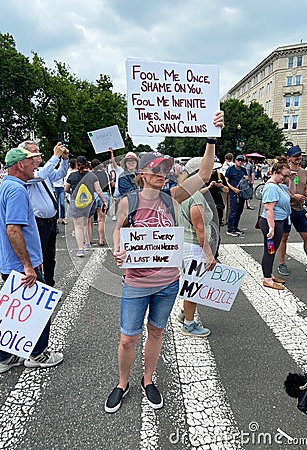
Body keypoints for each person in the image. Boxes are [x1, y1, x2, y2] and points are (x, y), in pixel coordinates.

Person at [104, 110, 224, 414]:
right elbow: (118, 230)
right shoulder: (128, 202)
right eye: (156, 169)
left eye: (166, 169)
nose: (162, 173)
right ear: (142, 173)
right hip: (136, 281)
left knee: (156, 332)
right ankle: (122, 383)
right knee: (128, 338)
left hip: (167, 282)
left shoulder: (173, 197)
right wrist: (118, 249)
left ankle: (148, 380)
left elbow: (205, 175)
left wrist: (211, 138)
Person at [0, 147, 63, 374]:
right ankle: (38, 354)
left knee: (15, 312)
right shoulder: (16, 190)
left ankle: (5, 358)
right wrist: (27, 265)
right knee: (39, 310)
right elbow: (13, 230)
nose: (36, 165)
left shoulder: (7, 186)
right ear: (20, 164)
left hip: (9, 263)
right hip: (21, 265)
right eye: (32, 162)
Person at [19, 140, 69, 287]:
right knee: (37, 257)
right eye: (34, 151)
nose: (39, 153)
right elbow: (41, 175)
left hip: (50, 219)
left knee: (50, 256)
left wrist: (64, 159)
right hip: (38, 221)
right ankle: (38, 287)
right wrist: (55, 157)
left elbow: (60, 173)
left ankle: (49, 285)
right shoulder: (27, 174)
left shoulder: (43, 170)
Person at [176, 157, 217, 337]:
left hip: (184, 244)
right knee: (193, 286)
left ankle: (186, 313)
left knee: (190, 281)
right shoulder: (196, 196)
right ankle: (189, 324)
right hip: (193, 246)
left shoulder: (182, 192)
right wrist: (209, 254)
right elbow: (199, 229)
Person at [277, 145, 307, 275]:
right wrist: (293, 196)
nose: (299, 158)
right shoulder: (283, 172)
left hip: (299, 209)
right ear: (288, 158)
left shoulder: (304, 172)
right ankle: (282, 264)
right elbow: (279, 190)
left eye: (300, 155)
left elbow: (305, 187)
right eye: (296, 156)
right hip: (286, 210)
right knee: (284, 237)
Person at [65, 156, 106, 257]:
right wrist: (104, 201)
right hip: (89, 201)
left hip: (76, 201)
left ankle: (80, 249)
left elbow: (66, 189)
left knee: (78, 226)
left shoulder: (72, 176)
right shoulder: (92, 176)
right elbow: (98, 189)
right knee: (87, 223)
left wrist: (72, 192)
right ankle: (87, 244)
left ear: (76, 164)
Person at [259, 162, 291, 290]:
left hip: (278, 222)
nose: (285, 178)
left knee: (271, 250)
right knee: (270, 250)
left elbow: (291, 190)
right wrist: (271, 227)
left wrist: (293, 177)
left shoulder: (279, 185)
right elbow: (268, 208)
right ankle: (267, 279)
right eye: (284, 176)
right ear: (276, 173)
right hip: (272, 223)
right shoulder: (271, 187)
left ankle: (269, 275)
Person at [225, 155, 248, 237]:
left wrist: (246, 178)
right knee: (233, 210)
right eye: (239, 160)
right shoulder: (230, 169)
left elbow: (246, 179)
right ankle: (230, 229)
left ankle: (235, 227)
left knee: (239, 211)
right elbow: (226, 181)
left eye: (242, 161)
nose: (240, 162)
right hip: (233, 193)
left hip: (241, 193)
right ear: (235, 160)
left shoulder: (243, 170)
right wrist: (233, 189)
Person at [91, 158, 111, 246]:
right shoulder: (105, 173)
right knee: (101, 219)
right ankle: (101, 239)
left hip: (93, 195)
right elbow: (112, 184)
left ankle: (88, 240)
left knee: (89, 220)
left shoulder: (90, 175)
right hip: (104, 194)